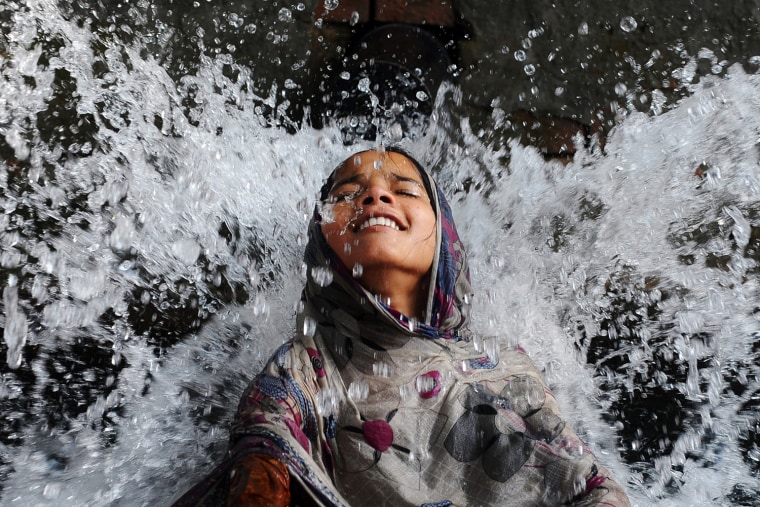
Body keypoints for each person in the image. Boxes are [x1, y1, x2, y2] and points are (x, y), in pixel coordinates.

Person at [172, 148, 631, 506]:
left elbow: (583, 480)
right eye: (347, 192)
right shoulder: (310, 364)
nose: (374, 196)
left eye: (406, 190)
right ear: (320, 243)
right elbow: (265, 439)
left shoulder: (502, 364)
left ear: (444, 239)